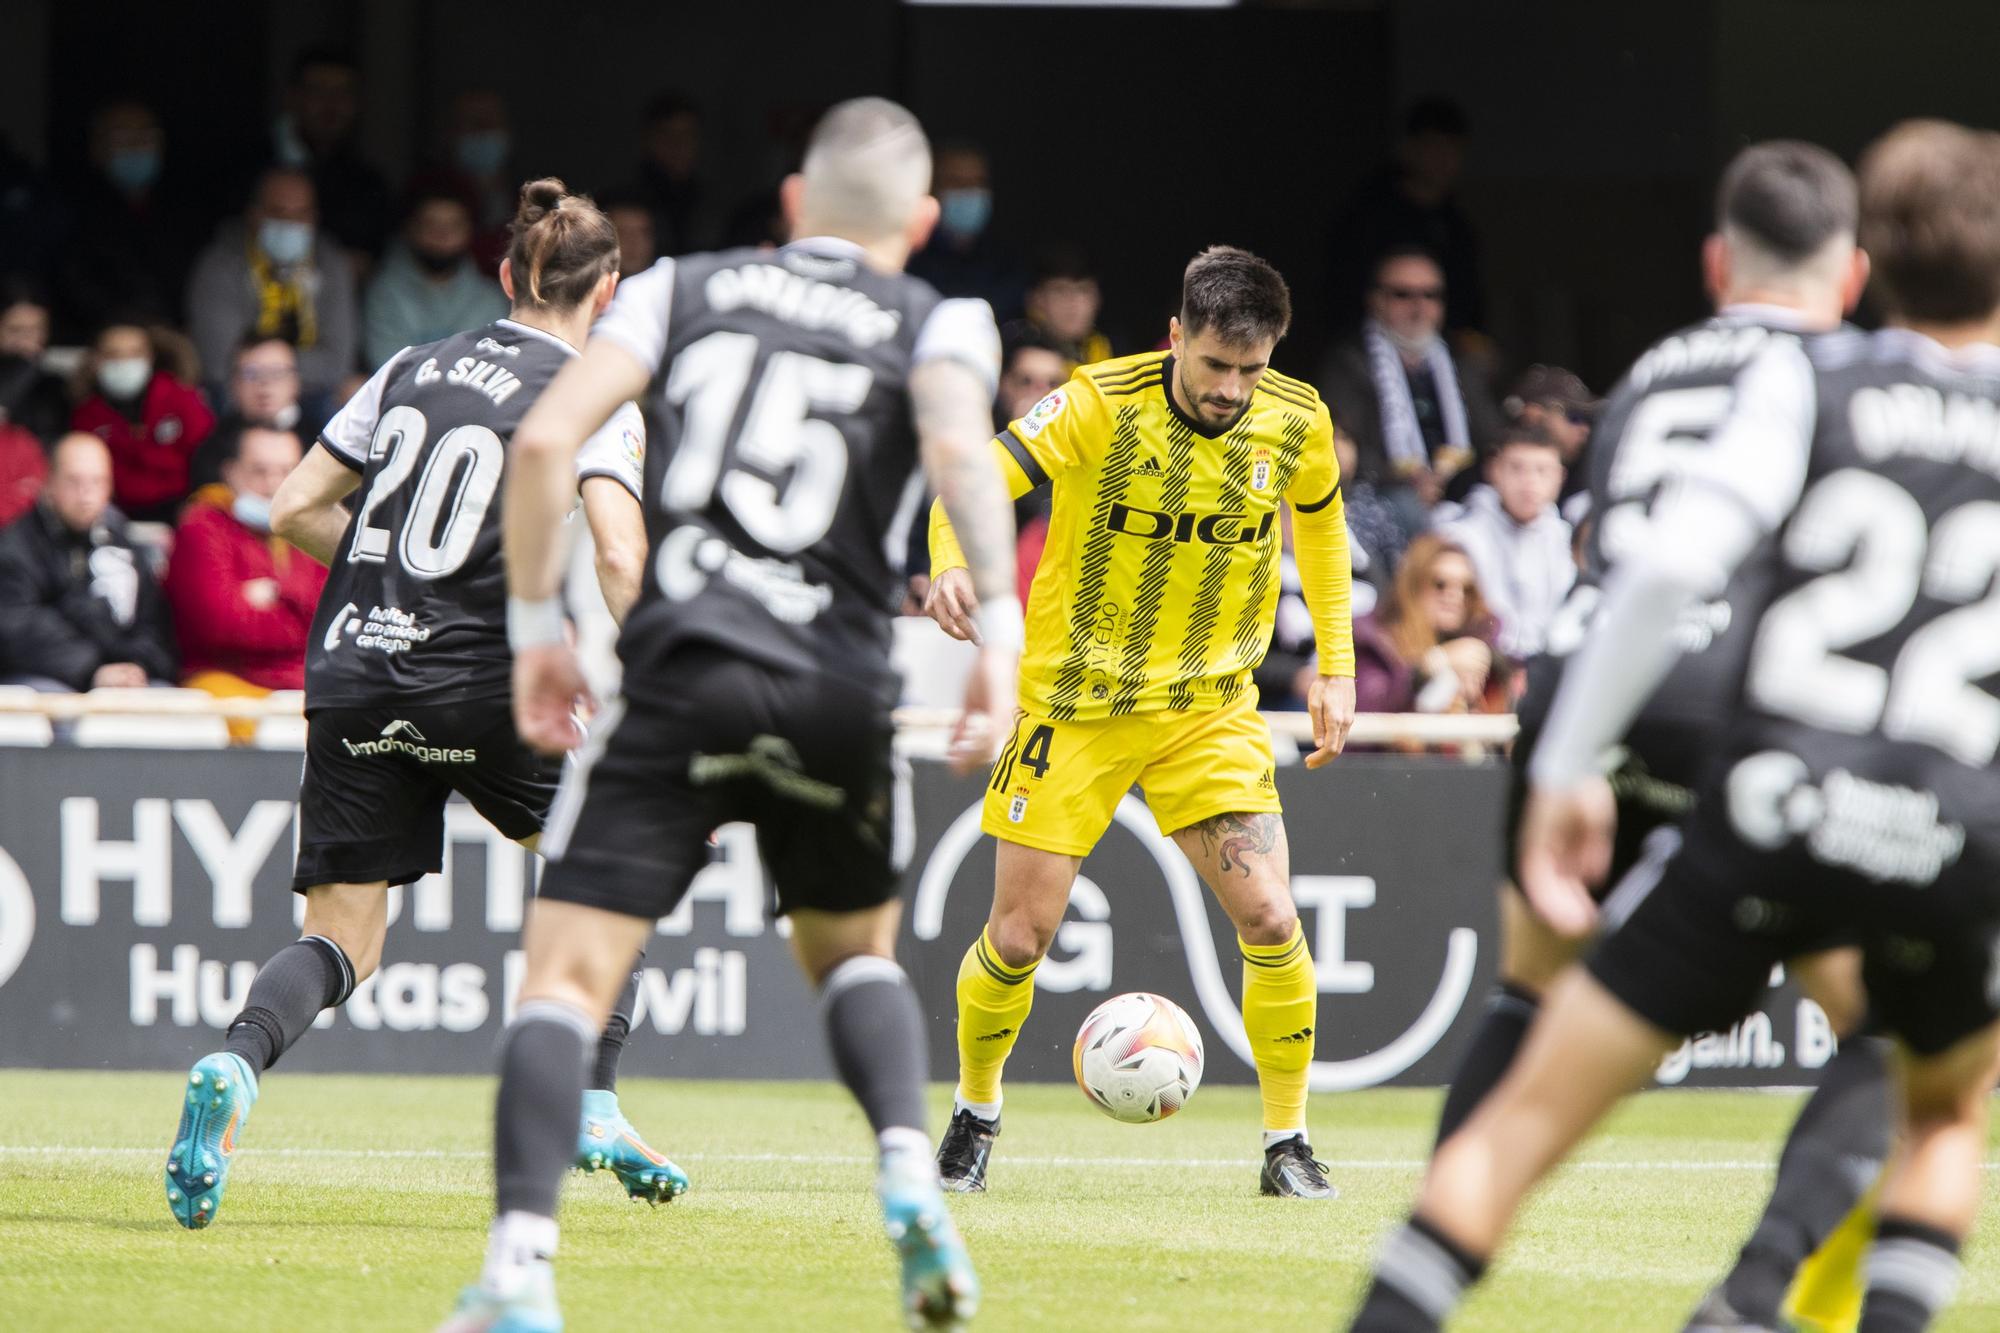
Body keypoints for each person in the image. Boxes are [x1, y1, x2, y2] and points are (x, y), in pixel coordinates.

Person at [1351, 124, 1995, 1333]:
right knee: (1924, 1087)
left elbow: (1650, 563)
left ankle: (1430, 1254)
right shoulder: (1850, 371)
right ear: (1844, 278)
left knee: (1530, 1027)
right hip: (1883, 771)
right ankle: (1759, 1299)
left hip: (1653, 708)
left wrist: (1565, 759)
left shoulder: (1676, 374)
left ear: (1714, 265)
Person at [440, 98, 1020, 1332]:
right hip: (837, 683)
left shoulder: (673, 288)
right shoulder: (944, 318)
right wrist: (999, 645)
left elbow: (546, 446)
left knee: (564, 981)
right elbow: (966, 461)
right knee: (853, 956)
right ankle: (911, 1181)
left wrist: (539, 638)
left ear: (795, 205)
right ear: (921, 221)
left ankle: (518, 1271)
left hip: (677, 670)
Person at [160, 179, 668, 1234]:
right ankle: (593, 1099)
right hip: (488, 677)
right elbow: (618, 553)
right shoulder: (592, 394)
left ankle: (234, 1061)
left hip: (353, 668)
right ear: (607, 291)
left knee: (343, 935)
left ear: (502, 273)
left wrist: (400, 594)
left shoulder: (406, 364)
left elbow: (294, 506)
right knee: (616, 860)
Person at [922, 245, 1357, 1200]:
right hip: (1075, 706)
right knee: (1019, 936)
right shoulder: (1095, 402)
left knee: (1274, 916)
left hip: (1208, 710)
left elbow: (1320, 525)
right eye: (1215, 366)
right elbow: (970, 480)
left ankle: (1287, 1143)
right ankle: (975, 1112)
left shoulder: (1295, 419)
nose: (1233, 389)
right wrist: (950, 557)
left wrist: (1336, 664)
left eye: (1251, 368)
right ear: (1176, 336)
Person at [1318, 247, 1503, 523]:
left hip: (1457, 491)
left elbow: (1491, 437)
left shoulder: (1460, 360)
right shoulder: (1350, 362)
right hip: (1384, 494)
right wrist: (1409, 481)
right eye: (1403, 294)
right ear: (1376, 300)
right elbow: (1341, 445)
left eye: (1431, 295)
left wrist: (1450, 478)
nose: (1419, 307)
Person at [165, 425, 326, 707]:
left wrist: (278, 593)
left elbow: (330, 623)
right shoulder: (201, 527)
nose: (274, 484)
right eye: (259, 471)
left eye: (287, 472)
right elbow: (218, 628)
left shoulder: (311, 530)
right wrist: (298, 611)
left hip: (304, 685)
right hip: (225, 684)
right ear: (231, 473)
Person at [0, 433, 175, 690]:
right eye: (74, 482)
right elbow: (19, 630)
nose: (86, 494)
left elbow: (153, 623)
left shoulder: (122, 542)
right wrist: (92, 669)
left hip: (120, 675)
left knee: (179, 710)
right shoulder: (16, 546)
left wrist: (136, 664)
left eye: (98, 482)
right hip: (45, 678)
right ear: (48, 483)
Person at [187, 166, 360, 404]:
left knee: (353, 394)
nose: (290, 223)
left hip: (313, 394)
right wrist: (278, 376)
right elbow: (221, 363)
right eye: (278, 213)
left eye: (300, 214)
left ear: (314, 217)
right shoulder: (220, 264)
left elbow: (338, 363)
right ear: (254, 213)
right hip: (243, 393)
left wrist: (270, 372)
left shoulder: (330, 262)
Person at [1324, 98, 1485, 344]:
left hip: (1443, 349)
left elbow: (1470, 300)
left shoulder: (1456, 225)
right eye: (1434, 147)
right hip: (1375, 346)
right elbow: (1343, 292)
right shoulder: (1370, 215)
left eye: (1453, 149)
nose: (1444, 160)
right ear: (1409, 148)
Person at [54, 100, 204, 337]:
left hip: (177, 340)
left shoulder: (187, 207)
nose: (136, 147)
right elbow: (78, 289)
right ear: (96, 148)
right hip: (107, 341)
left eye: (146, 137)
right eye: (123, 138)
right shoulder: (70, 210)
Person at [1434, 425, 1574, 661]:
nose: (1529, 481)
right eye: (1517, 468)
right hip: (1483, 663)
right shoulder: (1459, 537)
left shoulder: (1564, 538)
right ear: (1494, 470)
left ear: (1560, 477)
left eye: (1542, 470)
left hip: (1548, 667)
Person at [69, 319, 216, 523]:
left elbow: (208, 457)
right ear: (96, 361)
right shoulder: (86, 416)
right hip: (113, 517)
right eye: (113, 354)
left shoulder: (181, 398)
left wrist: (196, 508)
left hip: (183, 511)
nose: (124, 362)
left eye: (134, 353)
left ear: (150, 358)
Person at [269, 46, 393, 264]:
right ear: (292, 96)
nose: (331, 104)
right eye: (318, 90)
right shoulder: (249, 168)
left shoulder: (368, 184)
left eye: (342, 92)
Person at [1351, 533, 1499, 715]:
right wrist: (1432, 664)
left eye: (1466, 589)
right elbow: (1369, 707)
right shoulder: (1373, 637)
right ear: (1413, 585)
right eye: (1440, 584)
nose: (1456, 596)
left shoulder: (1479, 641)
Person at [363, 188, 508, 368]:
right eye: (430, 224)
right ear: (411, 229)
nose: (442, 235)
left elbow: (494, 367)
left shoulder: (490, 298)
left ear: (469, 232)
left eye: (453, 226)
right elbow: (389, 368)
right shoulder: (383, 293)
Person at [909, 140, 1026, 322]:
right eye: (957, 182)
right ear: (934, 187)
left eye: (977, 182)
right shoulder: (913, 256)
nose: (969, 191)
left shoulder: (1006, 260)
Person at [189, 336, 319, 491]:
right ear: (233, 383)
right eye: (251, 373)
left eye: (277, 373)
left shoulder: (322, 441)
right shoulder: (213, 450)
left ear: (296, 381)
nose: (265, 384)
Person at [1502, 364, 1597, 520]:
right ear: (1534, 414)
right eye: (1575, 417)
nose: (1584, 428)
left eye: (1587, 419)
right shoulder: (1479, 491)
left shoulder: (1583, 478)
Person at [630, 91, 715, 256]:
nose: (678, 145)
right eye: (668, 135)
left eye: (687, 135)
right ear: (649, 140)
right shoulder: (628, 201)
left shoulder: (711, 202)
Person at [1012, 242, 1112, 367]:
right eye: (1060, 290)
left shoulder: (1109, 351)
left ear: (1097, 298)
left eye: (1083, 290)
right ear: (1036, 299)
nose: (1072, 302)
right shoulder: (1016, 355)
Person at [0, 279, 70, 445]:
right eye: (16, 329)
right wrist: (24, 368)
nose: (27, 339)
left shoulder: (55, 385)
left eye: (36, 329)